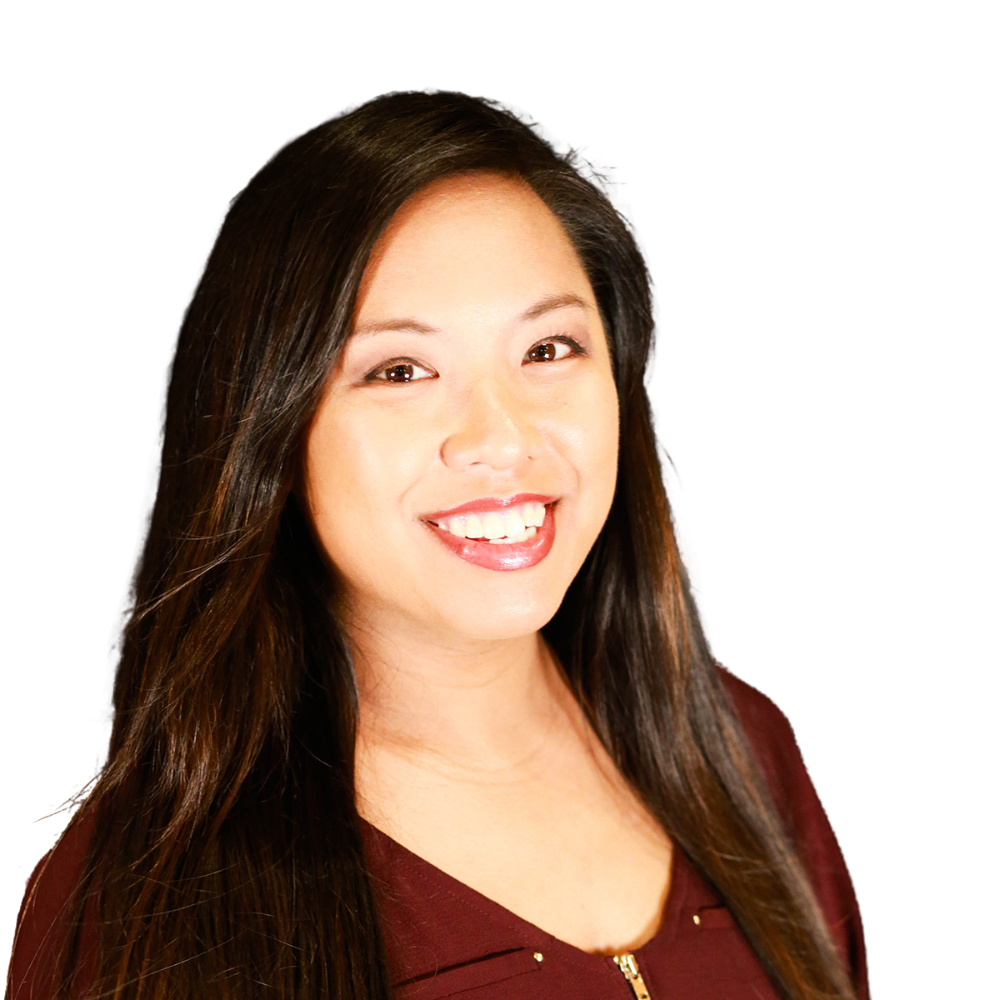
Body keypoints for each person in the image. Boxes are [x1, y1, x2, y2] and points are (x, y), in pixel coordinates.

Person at [8, 88, 869, 999]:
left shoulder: (743, 749)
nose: (502, 437)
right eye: (401, 370)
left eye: (549, 350)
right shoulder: (144, 896)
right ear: (271, 427)